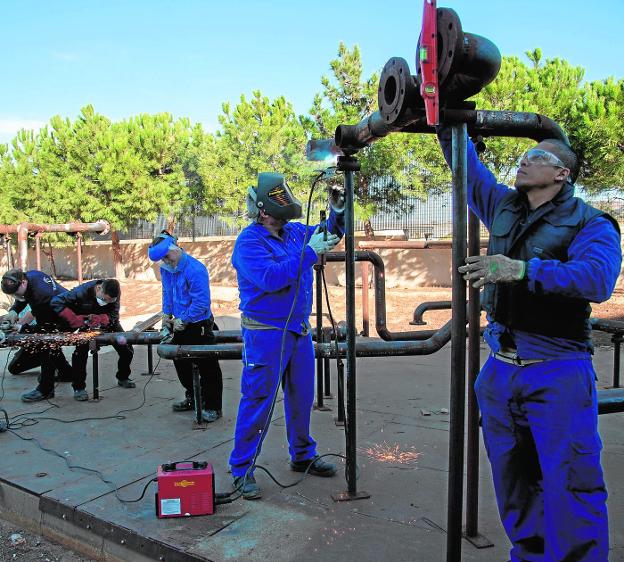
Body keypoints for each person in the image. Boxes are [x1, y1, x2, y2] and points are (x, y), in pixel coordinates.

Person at [437, 125, 621, 561]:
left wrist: (521, 270)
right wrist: (446, 117)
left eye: (537, 157)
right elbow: (467, 170)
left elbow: (597, 279)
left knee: (572, 485)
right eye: (525, 156)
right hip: (500, 372)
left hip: (557, 369)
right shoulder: (503, 205)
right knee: (515, 483)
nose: (525, 160)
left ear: (562, 174)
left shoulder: (590, 223)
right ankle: (530, 555)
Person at [229, 172, 345, 500]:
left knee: (301, 398)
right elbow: (270, 278)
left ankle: (303, 454)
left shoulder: (293, 232)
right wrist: (309, 252)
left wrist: (339, 212)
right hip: (266, 335)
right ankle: (241, 468)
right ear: (263, 211)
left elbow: (329, 235)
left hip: (297, 331)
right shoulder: (249, 242)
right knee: (258, 403)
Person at [148, 231, 223, 423]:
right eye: (162, 259)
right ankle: (193, 396)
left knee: (208, 366)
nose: (166, 261)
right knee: (180, 361)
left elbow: (201, 303)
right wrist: (166, 314)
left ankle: (212, 406)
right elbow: (167, 292)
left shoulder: (195, 269)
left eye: (167, 256)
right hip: (180, 323)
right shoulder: (167, 269)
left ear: (176, 248)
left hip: (199, 324)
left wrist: (185, 319)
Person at [49, 278, 135, 401]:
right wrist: (74, 318)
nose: (107, 302)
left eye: (111, 300)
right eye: (105, 299)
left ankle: (123, 377)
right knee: (80, 352)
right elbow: (56, 302)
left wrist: (105, 319)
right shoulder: (80, 292)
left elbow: (114, 315)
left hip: (107, 322)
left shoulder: (114, 290)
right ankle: (79, 388)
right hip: (86, 322)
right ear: (99, 289)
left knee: (126, 349)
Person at [1, 269, 74, 401]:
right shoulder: (29, 276)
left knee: (44, 344)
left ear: (23, 283)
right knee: (50, 345)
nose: (15, 297)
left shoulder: (41, 295)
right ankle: (67, 373)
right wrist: (14, 311)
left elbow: (42, 329)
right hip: (57, 310)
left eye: (15, 294)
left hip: (68, 318)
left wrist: (20, 328)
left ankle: (45, 390)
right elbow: (23, 296)